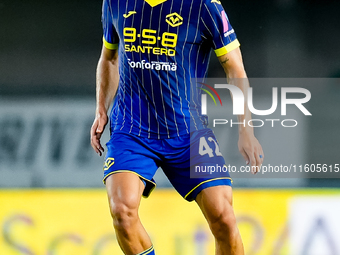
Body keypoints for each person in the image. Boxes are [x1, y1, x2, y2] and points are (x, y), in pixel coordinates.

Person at [90, 0, 264, 254]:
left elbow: (235, 69)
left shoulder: (205, 7)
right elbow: (110, 58)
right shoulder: (115, 2)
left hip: (187, 132)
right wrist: (101, 109)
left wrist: (246, 129)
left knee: (224, 219)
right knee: (122, 212)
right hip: (132, 129)